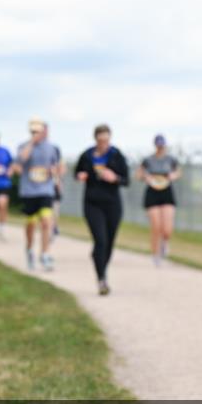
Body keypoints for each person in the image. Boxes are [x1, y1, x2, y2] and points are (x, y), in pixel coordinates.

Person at [74, 125, 130, 295]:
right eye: (100, 141)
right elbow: (77, 172)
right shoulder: (87, 155)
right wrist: (80, 176)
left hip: (112, 204)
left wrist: (115, 178)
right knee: (101, 240)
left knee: (109, 242)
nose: (103, 144)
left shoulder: (116, 155)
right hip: (92, 203)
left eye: (106, 140)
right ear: (95, 140)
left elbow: (126, 180)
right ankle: (102, 279)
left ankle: (100, 264)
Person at [13, 119, 61, 271]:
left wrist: (55, 173)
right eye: (34, 131)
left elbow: (57, 167)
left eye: (39, 131)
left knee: (46, 221)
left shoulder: (52, 148)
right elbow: (20, 161)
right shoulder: (24, 146)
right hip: (29, 191)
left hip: (45, 190)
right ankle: (29, 250)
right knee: (31, 224)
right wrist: (32, 142)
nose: (38, 134)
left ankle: (45, 254)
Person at [137, 134, 181, 265]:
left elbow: (178, 172)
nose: (160, 148)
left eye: (162, 145)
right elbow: (139, 174)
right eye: (158, 145)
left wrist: (173, 176)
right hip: (152, 192)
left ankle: (165, 242)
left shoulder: (171, 159)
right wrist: (146, 177)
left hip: (166, 192)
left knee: (166, 227)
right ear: (155, 145)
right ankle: (155, 254)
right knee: (156, 226)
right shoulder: (148, 160)